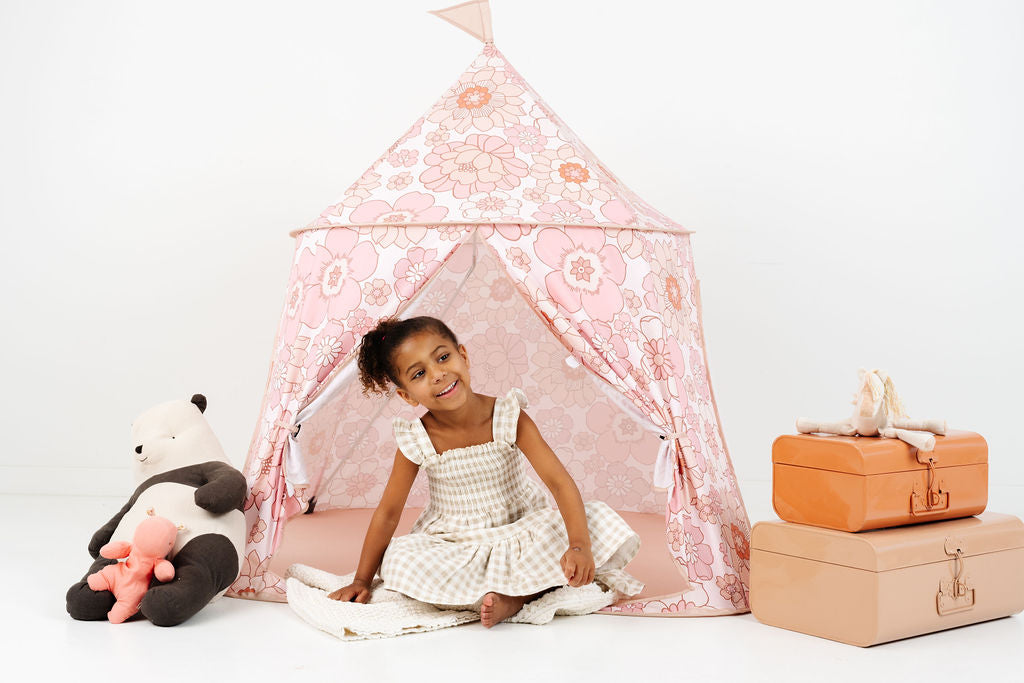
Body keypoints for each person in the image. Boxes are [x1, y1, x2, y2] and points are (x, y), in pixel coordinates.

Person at [328, 315, 643, 627]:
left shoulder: (508, 415)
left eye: (443, 357)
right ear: (407, 395)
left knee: (595, 519)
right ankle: (519, 591)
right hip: (456, 542)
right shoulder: (417, 439)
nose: (438, 374)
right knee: (399, 559)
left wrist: (578, 546)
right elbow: (388, 513)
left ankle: (516, 598)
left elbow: (559, 483)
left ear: (462, 356)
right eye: (420, 373)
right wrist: (361, 579)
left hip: (521, 527)